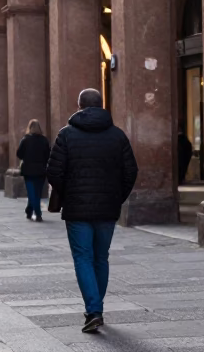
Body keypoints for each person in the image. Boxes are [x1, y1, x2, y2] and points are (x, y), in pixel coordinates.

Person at [46, 88, 139, 333]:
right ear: (101, 105)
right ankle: (97, 307)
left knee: (83, 257)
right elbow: (131, 171)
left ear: (79, 106)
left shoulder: (66, 135)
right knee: (100, 257)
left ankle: (94, 310)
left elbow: (54, 171)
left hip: (77, 209)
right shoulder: (117, 136)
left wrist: (69, 193)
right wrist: (117, 197)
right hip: (107, 208)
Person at [16, 119, 50, 222]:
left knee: (31, 193)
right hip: (41, 170)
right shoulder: (44, 140)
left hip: (28, 170)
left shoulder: (25, 140)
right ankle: (29, 210)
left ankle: (37, 213)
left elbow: (19, 154)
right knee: (37, 193)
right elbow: (48, 155)